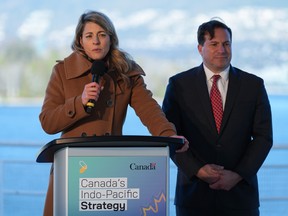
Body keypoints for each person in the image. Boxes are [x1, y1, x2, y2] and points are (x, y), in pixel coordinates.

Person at [39, 10, 188, 216]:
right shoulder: (62, 72)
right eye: (89, 36)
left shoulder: (126, 71)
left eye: (102, 34)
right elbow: (47, 122)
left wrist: (168, 135)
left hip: (111, 170)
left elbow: (149, 110)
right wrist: (80, 103)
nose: (96, 41)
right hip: (71, 169)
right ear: (80, 40)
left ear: (111, 38)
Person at [162, 19, 273, 216]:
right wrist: (197, 170)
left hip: (240, 197)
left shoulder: (253, 86)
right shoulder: (179, 85)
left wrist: (238, 175)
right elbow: (170, 137)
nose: (222, 49)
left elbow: (264, 137)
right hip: (194, 196)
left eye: (226, 44)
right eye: (214, 44)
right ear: (200, 48)